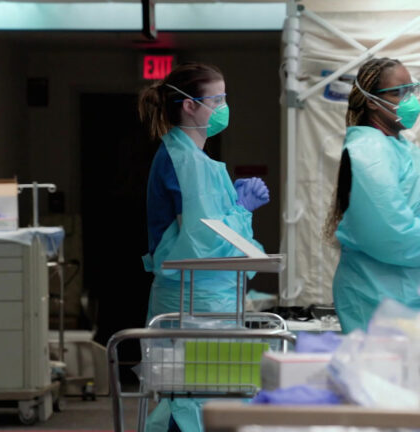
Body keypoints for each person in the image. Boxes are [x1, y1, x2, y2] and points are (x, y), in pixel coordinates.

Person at [138, 62, 270, 431]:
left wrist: (234, 207)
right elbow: (202, 243)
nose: (224, 108)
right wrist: (241, 211)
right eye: (218, 99)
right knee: (190, 404)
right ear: (189, 106)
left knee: (204, 400)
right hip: (192, 302)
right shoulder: (182, 161)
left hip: (207, 301)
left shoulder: (198, 161)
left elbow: (208, 228)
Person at [324, 57, 420, 334]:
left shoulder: (403, 148)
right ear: (370, 101)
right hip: (374, 297)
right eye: (398, 93)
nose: (409, 100)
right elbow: (389, 228)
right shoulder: (368, 151)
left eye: (411, 90)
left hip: (405, 295)